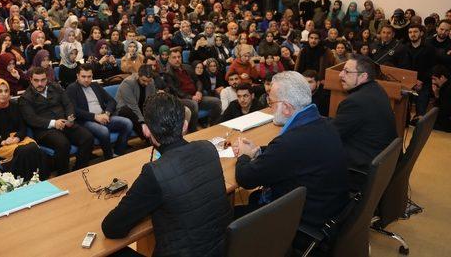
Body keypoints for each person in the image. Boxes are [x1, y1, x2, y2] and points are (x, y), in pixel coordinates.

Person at [102, 93, 232, 257]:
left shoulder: (154, 172)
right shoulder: (208, 148)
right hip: (222, 249)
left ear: (148, 131)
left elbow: (112, 228)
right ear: (184, 125)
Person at [229, 71, 348, 240]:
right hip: (330, 212)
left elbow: (245, 179)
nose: (270, 107)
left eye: (271, 102)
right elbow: (288, 156)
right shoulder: (325, 122)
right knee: (255, 198)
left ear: (286, 107)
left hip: (304, 223)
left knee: (225, 218)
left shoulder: (290, 142)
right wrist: (258, 151)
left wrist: (244, 156)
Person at [331, 54, 397, 189]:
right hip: (382, 161)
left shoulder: (355, 102)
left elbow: (331, 136)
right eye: (342, 70)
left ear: (363, 76)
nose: (340, 75)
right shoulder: (376, 89)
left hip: (361, 169)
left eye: (347, 72)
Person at [18, 67, 94, 175]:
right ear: (31, 80)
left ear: (47, 79)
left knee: (87, 137)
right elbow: (31, 119)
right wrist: (54, 123)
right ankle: (63, 174)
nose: (40, 83)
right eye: (36, 80)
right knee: (63, 144)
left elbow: (68, 104)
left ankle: (79, 170)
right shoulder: (25, 98)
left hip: (65, 123)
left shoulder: (56, 87)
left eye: (43, 80)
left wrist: (70, 118)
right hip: (45, 130)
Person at [0, 78, 47, 180]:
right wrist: (2, 142)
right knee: (24, 150)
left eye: (6, 91)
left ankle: (37, 181)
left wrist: (17, 138)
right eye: (0, 91)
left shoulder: (14, 105)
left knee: (33, 147)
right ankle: (25, 181)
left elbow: (23, 127)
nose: (4, 94)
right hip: (0, 145)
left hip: (17, 140)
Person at [66, 65, 133, 158]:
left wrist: (107, 113)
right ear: (77, 76)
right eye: (83, 76)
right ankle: (109, 157)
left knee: (128, 123)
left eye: (89, 77)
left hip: (103, 116)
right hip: (86, 120)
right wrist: (95, 117)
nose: (86, 79)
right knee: (103, 131)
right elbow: (74, 110)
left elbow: (111, 101)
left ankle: (118, 152)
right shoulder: (71, 88)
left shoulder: (95, 85)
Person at [164, 49, 222, 132]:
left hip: (196, 95)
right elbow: (176, 91)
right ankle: (192, 131)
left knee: (216, 102)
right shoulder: (168, 73)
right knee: (194, 104)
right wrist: (192, 97)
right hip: (181, 99)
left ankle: (213, 126)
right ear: (169, 59)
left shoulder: (187, 67)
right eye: (174, 57)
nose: (177, 59)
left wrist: (199, 91)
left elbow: (197, 81)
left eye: (179, 57)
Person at [431, 65, 451, 132]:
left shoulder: (447, 89)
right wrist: (436, 94)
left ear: (442, 77)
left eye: (434, 79)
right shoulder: (444, 87)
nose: (433, 82)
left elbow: (443, 111)